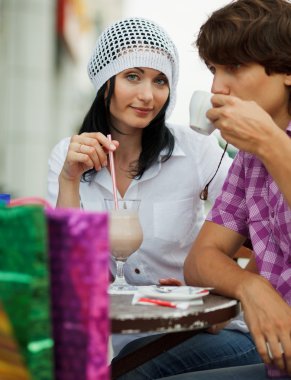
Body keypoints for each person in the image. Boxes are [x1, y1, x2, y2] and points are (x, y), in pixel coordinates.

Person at [47, 16, 260, 375]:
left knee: (127, 373)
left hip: (200, 330)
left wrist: (205, 289)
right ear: (105, 83)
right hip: (112, 338)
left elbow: (263, 235)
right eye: (133, 76)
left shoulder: (196, 151)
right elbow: (71, 276)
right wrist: (70, 180)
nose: (148, 95)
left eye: (160, 80)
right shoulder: (69, 156)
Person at [158, 1, 291, 379]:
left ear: (286, 69)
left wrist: (270, 143)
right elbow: (201, 259)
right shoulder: (249, 160)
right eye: (214, 70)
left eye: (233, 67)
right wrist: (251, 286)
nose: (217, 87)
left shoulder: (262, 146)